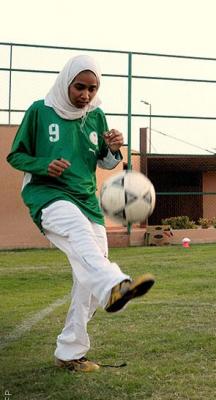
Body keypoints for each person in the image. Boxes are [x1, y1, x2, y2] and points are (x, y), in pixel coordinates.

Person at [6, 55, 156, 372]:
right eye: (79, 87)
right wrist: (42, 165)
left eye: (92, 89)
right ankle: (116, 285)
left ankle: (70, 351)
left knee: (88, 274)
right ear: (66, 82)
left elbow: (105, 161)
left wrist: (114, 148)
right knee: (80, 234)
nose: (85, 95)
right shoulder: (39, 111)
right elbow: (15, 155)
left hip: (87, 200)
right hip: (47, 194)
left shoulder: (96, 115)